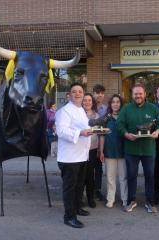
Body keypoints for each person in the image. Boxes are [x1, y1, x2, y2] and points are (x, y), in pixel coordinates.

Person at [116, 83, 159, 213]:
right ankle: (132, 200)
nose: (138, 96)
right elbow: (119, 125)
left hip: (149, 149)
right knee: (132, 175)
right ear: (132, 95)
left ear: (144, 94)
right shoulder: (126, 109)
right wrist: (126, 135)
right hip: (131, 149)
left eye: (140, 93)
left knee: (150, 176)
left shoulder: (153, 108)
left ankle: (150, 202)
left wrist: (157, 132)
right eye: (135, 94)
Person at [55, 83, 93, 229]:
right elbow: (62, 132)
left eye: (80, 92)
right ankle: (69, 217)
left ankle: (77, 208)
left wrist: (91, 130)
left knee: (79, 186)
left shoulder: (81, 110)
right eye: (74, 92)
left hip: (82, 156)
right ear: (69, 95)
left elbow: (84, 128)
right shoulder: (64, 111)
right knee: (70, 188)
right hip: (69, 158)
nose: (78, 94)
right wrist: (81, 133)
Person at [100, 94, 128, 208]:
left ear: (121, 104)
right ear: (110, 104)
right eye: (113, 102)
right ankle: (110, 198)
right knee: (110, 177)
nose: (115, 104)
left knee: (123, 177)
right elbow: (101, 135)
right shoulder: (106, 118)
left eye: (117, 102)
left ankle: (125, 199)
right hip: (109, 151)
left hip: (123, 151)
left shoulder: (125, 117)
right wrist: (101, 151)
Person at [81, 93, 99, 208]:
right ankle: (80, 197)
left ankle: (90, 198)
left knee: (90, 174)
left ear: (92, 102)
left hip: (92, 149)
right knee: (80, 174)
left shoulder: (97, 116)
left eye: (89, 100)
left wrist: (100, 150)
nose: (87, 102)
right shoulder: (78, 114)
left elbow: (100, 134)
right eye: (85, 100)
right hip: (80, 149)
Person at [92, 84, 107, 201]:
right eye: (97, 93)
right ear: (93, 93)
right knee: (87, 168)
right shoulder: (87, 107)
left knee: (99, 167)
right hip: (88, 141)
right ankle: (87, 189)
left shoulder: (106, 109)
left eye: (102, 93)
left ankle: (97, 190)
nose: (99, 95)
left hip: (101, 141)